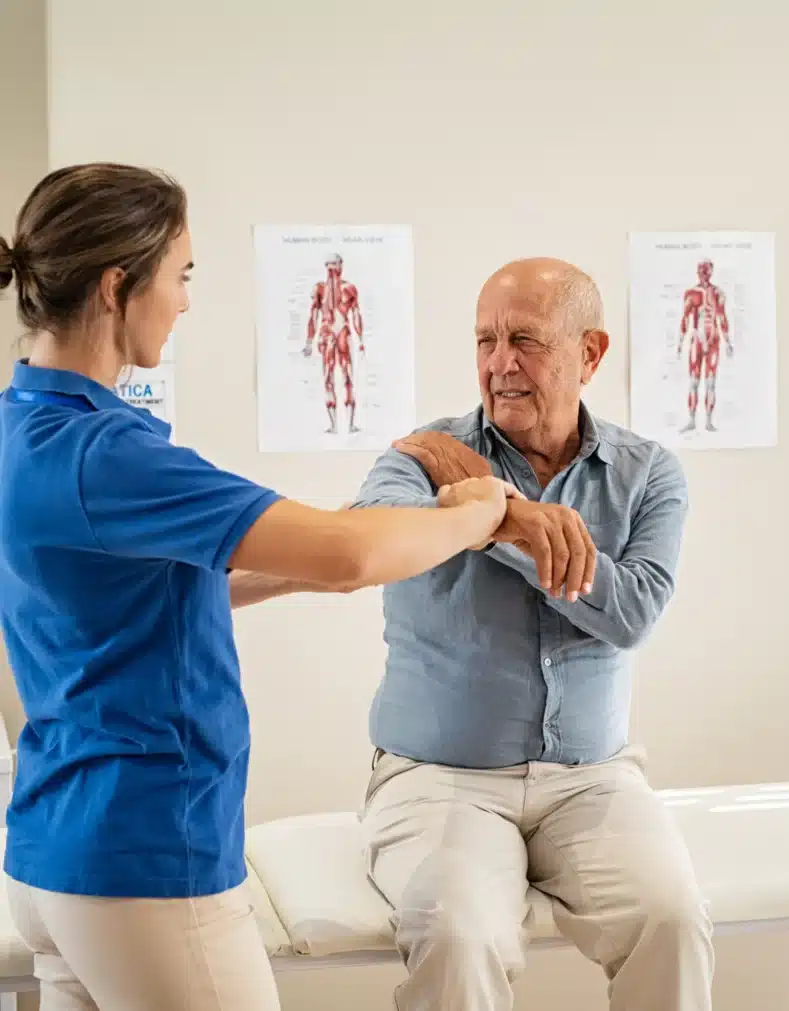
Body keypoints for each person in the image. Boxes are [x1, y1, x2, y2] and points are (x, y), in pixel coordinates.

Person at [0, 164, 570, 1011]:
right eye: (181, 275)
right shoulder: (109, 456)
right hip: (147, 856)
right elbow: (346, 556)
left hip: (57, 852)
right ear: (119, 286)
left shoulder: (26, 426)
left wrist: (324, 552)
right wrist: (479, 509)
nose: (186, 302)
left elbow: (136, 595)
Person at [351, 257, 713, 1011]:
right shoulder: (421, 457)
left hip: (593, 777)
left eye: (525, 339)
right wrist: (517, 514)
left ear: (591, 352)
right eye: (485, 340)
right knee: (459, 935)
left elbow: (634, 609)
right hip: (438, 778)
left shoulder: (649, 474)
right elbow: (383, 535)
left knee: (672, 919)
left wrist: (489, 517)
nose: (500, 363)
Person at [303, 252, 364, 434]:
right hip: (327, 334)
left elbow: (356, 315)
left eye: (334, 265)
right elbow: (313, 316)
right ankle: (334, 424)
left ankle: (350, 423)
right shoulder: (320, 289)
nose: (331, 270)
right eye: (328, 265)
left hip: (343, 333)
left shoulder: (349, 288)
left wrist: (360, 339)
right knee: (328, 377)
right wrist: (309, 341)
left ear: (340, 266)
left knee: (347, 376)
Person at [677, 258, 731, 433]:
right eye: (701, 270)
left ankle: (708, 421)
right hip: (697, 340)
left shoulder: (718, 293)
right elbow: (685, 318)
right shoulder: (692, 293)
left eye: (706, 270)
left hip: (714, 340)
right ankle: (692, 420)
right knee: (693, 381)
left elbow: (722, 317)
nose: (704, 274)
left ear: (711, 272)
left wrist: (728, 341)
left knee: (710, 383)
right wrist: (680, 341)